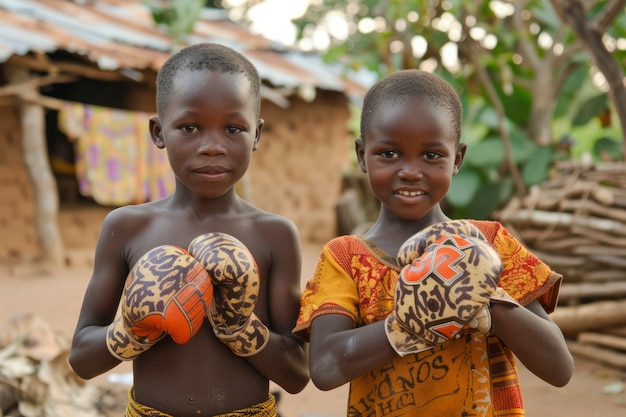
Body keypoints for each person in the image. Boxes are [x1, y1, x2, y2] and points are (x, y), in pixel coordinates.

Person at [293, 69, 574, 417]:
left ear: (457, 159)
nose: (410, 170)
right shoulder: (345, 258)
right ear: (361, 155)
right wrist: (408, 322)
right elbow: (323, 368)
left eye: (431, 155)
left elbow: (559, 368)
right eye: (389, 153)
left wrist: (485, 295)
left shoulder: (489, 245)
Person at [69, 42, 309, 417]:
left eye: (233, 128)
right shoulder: (128, 227)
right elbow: (82, 360)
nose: (212, 146)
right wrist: (133, 329)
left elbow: (296, 374)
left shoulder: (274, 235)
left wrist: (238, 325)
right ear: (158, 131)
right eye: (190, 127)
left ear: (257, 135)